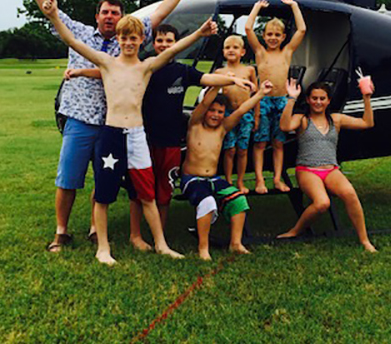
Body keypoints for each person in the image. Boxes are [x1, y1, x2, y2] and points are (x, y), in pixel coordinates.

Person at [24, 0, 198, 254]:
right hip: (81, 119)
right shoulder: (83, 35)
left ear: (125, 23)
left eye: (115, 13)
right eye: (105, 12)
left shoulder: (129, 37)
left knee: (106, 182)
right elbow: (52, 13)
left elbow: (161, 15)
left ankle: (98, 231)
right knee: (69, 178)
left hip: (117, 124)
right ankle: (61, 232)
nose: (110, 17)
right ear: (97, 16)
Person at [73, 24, 255, 249]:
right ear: (152, 43)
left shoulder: (182, 70)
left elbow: (207, 79)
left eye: (169, 41)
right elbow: (109, 72)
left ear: (175, 43)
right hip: (144, 137)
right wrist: (81, 72)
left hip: (170, 140)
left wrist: (231, 80)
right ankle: (136, 235)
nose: (164, 45)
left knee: (162, 191)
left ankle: (161, 237)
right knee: (136, 190)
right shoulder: (147, 68)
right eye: (160, 40)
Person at [277, 78, 377, 252]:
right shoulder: (302, 120)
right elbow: (285, 126)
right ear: (308, 100)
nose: (318, 102)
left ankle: (364, 240)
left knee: (350, 194)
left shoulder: (336, 119)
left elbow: (367, 123)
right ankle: (295, 230)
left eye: (322, 98)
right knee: (322, 203)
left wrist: (366, 98)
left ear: (328, 100)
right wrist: (291, 99)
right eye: (314, 98)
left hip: (331, 169)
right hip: (307, 169)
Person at [181, 80, 273, 260]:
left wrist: (261, 93)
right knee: (207, 202)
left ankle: (235, 243)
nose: (215, 115)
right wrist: (216, 85)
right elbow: (205, 102)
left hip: (213, 179)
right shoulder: (194, 126)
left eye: (220, 112)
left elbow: (240, 111)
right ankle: (203, 247)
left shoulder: (222, 129)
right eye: (212, 111)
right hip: (192, 179)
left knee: (238, 200)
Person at [245, 0, 307, 194]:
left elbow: (302, 30)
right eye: (269, 34)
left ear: (283, 37)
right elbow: (247, 29)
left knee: (279, 143)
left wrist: (294, 6)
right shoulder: (260, 52)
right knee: (261, 143)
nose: (273, 37)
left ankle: (278, 179)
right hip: (263, 101)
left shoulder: (287, 52)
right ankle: (260, 180)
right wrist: (256, 8)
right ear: (263, 35)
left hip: (282, 101)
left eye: (277, 35)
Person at [213, 35, 259, 194]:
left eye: (235, 47)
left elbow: (256, 95)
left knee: (242, 149)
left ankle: (240, 181)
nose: (231, 50)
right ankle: (228, 180)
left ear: (243, 52)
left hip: (246, 115)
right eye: (227, 47)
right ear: (223, 51)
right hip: (228, 115)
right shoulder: (220, 71)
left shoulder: (249, 70)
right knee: (229, 149)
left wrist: (257, 116)